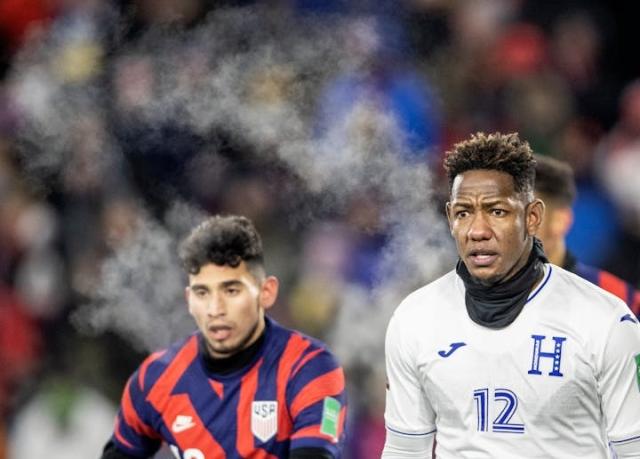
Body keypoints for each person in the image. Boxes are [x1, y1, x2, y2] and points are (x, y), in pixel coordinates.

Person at [382, 132, 640, 458]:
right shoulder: (415, 319)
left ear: (532, 217)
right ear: (450, 218)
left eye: (497, 212)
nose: (477, 231)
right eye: (464, 213)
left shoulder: (605, 321)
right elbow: (405, 450)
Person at [101, 215, 347, 459]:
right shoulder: (154, 378)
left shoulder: (310, 367)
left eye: (231, 290)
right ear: (189, 300)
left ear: (266, 292)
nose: (215, 308)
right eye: (202, 293)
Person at [534, 154, 640, 316]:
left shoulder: (617, 300)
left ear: (559, 220)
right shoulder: (483, 297)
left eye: (529, 215)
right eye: (500, 213)